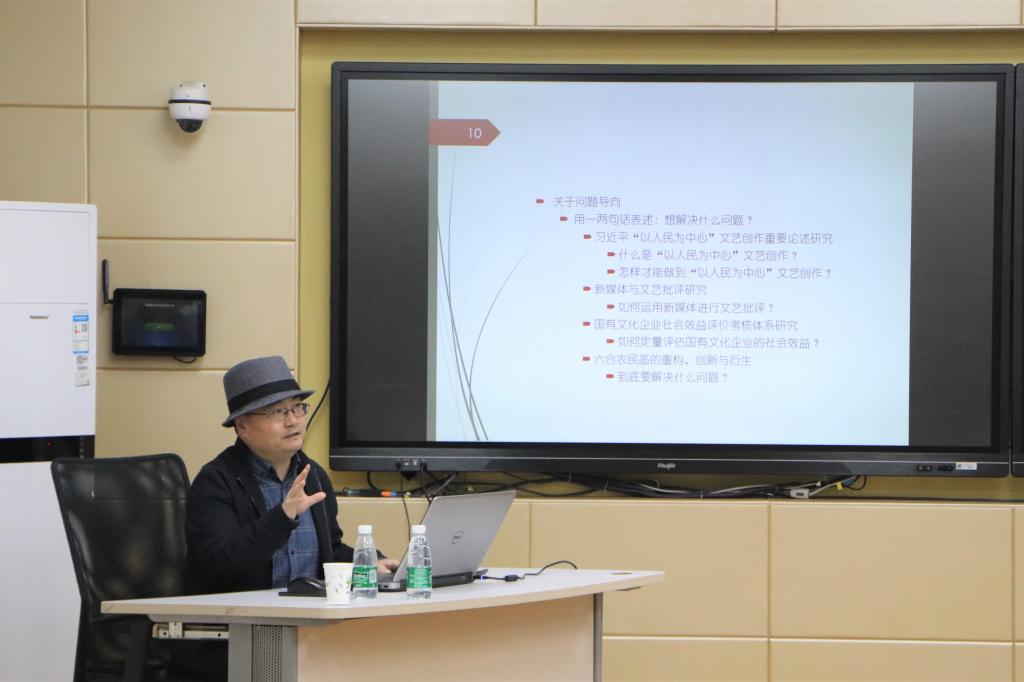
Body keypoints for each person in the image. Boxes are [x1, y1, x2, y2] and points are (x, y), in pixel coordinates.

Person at [181, 355, 398, 679]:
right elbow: (219, 563)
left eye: (298, 408)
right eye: (277, 412)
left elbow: (330, 552)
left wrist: (368, 563)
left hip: (309, 637)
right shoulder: (216, 482)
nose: (293, 420)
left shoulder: (314, 476)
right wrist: (282, 516)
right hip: (237, 641)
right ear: (242, 426)